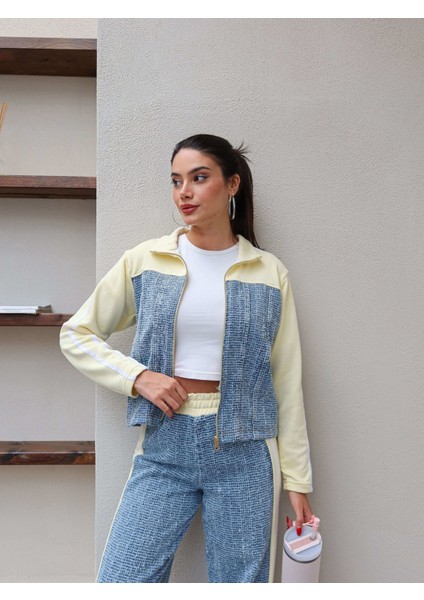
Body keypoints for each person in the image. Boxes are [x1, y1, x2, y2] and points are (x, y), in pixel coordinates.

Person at [60, 133, 314, 583]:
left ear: (232, 184)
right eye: (176, 181)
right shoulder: (146, 260)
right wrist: (139, 377)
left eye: (199, 178)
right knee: (122, 581)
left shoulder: (269, 273)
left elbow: (286, 382)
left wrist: (297, 481)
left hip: (246, 450)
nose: (184, 192)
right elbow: (76, 334)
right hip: (165, 442)